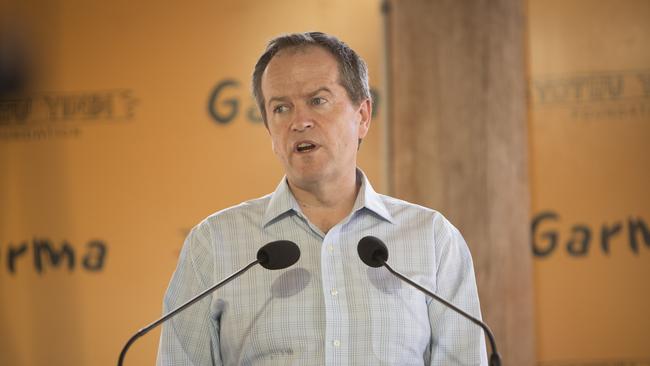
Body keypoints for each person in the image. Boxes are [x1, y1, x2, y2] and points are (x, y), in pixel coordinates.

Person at [157, 32, 487, 366]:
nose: (299, 122)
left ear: (362, 116)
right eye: (281, 108)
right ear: (270, 130)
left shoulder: (432, 239)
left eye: (318, 101)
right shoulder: (214, 244)